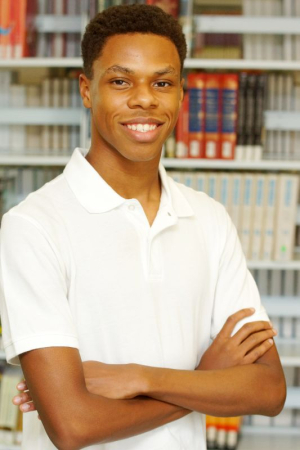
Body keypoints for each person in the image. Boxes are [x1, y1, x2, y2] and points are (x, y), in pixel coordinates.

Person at [0, 5, 285, 450]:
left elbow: (268, 390)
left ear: (180, 96)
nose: (145, 99)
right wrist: (204, 381)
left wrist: (139, 378)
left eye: (162, 82)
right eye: (120, 81)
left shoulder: (208, 219)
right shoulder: (34, 227)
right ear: (86, 90)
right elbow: (72, 426)